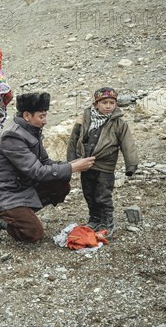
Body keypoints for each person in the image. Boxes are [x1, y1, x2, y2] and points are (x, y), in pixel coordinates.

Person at [0, 92, 95, 244]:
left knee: (61, 185)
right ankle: (0, 220)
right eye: (41, 116)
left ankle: (23, 215)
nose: (45, 121)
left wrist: (70, 164)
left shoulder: (31, 131)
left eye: (45, 116)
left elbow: (45, 162)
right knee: (33, 234)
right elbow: (38, 172)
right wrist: (73, 167)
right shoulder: (12, 137)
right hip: (6, 195)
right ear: (27, 115)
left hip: (24, 187)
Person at [66, 87, 139, 237]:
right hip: (86, 165)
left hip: (105, 166)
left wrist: (131, 165)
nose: (108, 106)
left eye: (112, 103)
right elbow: (74, 139)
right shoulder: (85, 119)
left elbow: (128, 144)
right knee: (89, 193)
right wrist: (71, 162)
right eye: (104, 102)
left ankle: (107, 222)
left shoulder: (119, 123)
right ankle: (94, 218)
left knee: (103, 195)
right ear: (95, 104)